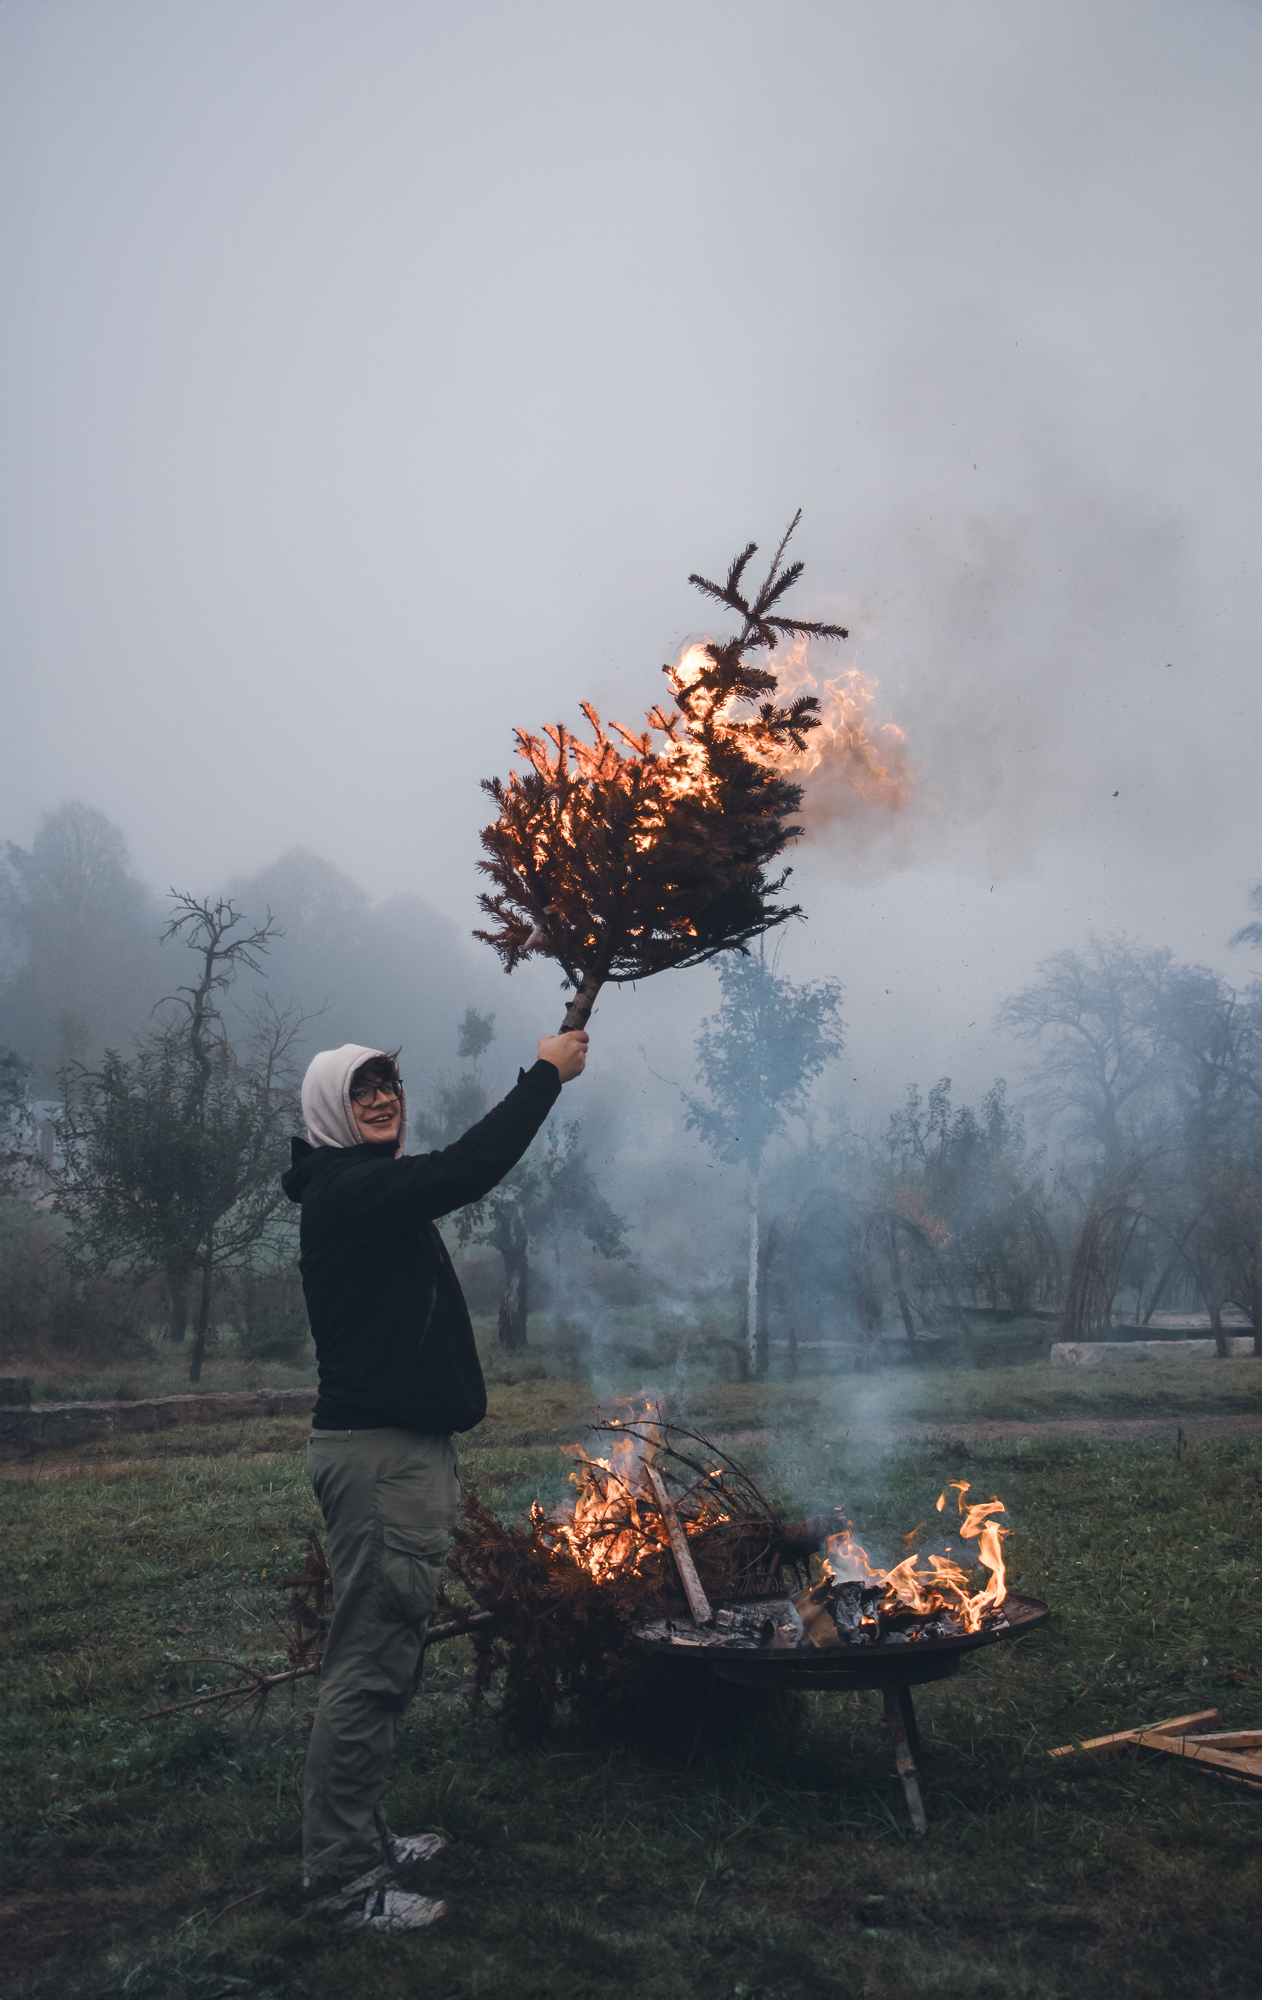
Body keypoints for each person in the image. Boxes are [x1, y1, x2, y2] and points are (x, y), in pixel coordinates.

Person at [282, 1028, 588, 1928]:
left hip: (399, 1451)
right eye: (363, 1088)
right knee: (368, 1669)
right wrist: (544, 1078)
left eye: (390, 1084)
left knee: (386, 1655)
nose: (383, 1098)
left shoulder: (362, 1193)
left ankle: (363, 1838)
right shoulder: (346, 1191)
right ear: (330, 1109)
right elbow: (467, 1169)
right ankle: (341, 1887)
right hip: (378, 1459)